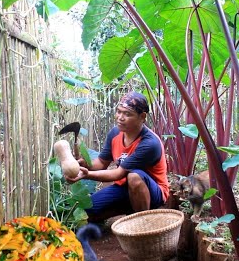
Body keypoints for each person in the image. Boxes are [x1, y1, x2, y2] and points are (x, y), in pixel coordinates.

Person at [66, 91, 169, 222]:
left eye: (127, 114)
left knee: (134, 176)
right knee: (88, 211)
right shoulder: (115, 133)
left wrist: (86, 175)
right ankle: (128, 209)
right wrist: (84, 164)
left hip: (153, 192)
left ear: (142, 117)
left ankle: (143, 223)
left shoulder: (149, 143)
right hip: (124, 188)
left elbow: (118, 174)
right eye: (119, 111)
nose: (120, 117)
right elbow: (101, 162)